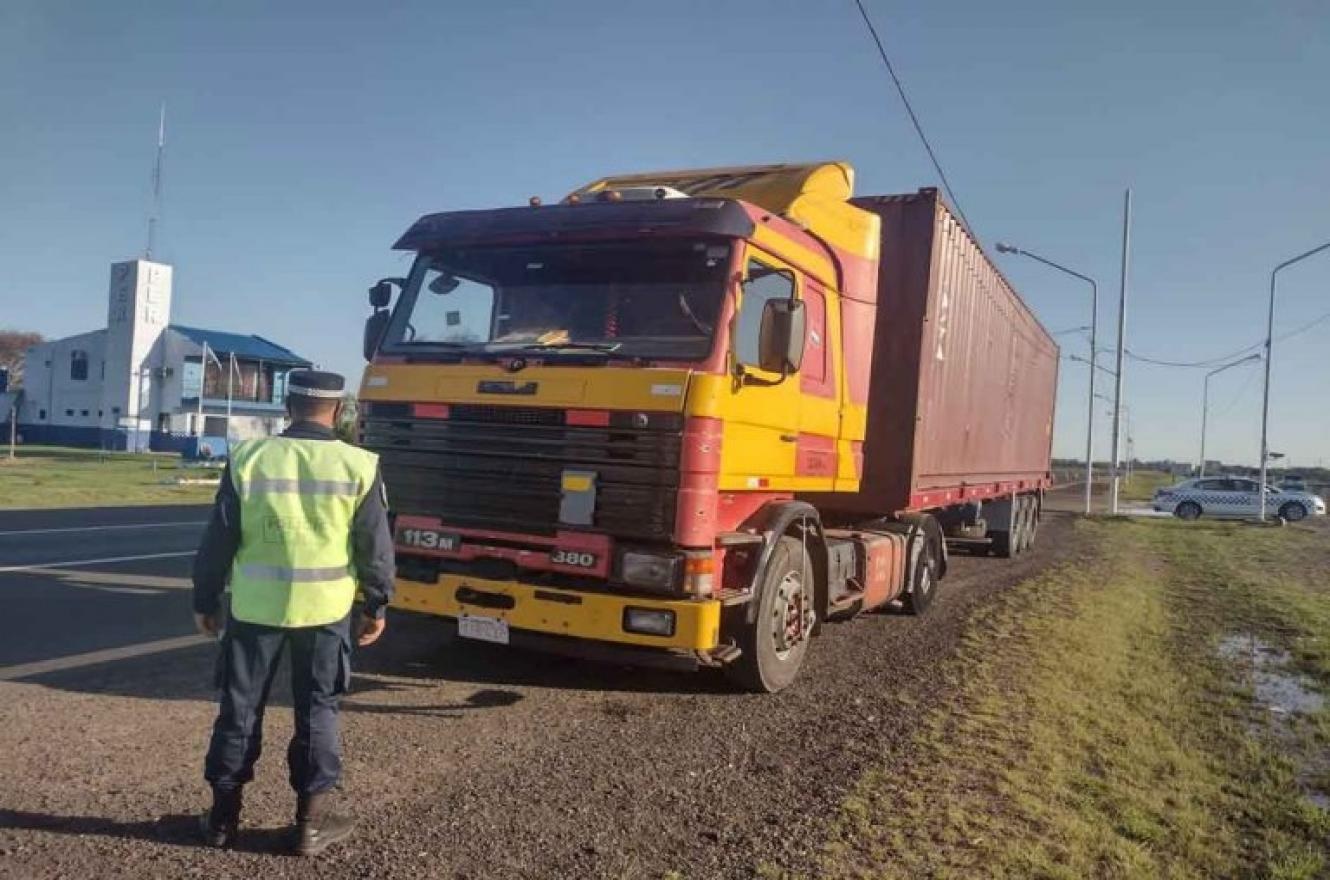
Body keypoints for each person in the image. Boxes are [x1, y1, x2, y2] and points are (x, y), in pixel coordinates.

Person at [192, 369, 395, 856]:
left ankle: (222, 822)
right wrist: (376, 603)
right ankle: (309, 827)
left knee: (240, 710)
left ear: (288, 407)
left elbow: (219, 538)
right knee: (318, 711)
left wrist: (205, 599)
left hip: (254, 609)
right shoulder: (359, 464)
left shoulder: (249, 457)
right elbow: (374, 546)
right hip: (325, 611)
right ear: (339, 411)